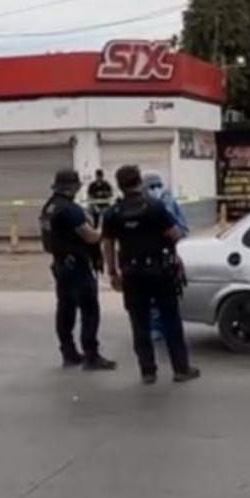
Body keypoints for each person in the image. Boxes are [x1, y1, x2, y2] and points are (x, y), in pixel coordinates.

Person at [101, 165, 199, 385]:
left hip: (132, 274)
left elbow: (107, 244)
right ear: (139, 182)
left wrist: (113, 272)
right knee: (170, 320)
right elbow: (175, 235)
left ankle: (148, 372)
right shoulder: (155, 208)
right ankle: (180, 369)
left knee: (139, 323)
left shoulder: (113, 213)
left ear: (119, 185)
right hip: (160, 272)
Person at [39, 170, 116, 370]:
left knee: (65, 309)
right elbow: (90, 236)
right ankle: (91, 356)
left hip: (60, 264)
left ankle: (69, 352)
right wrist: (103, 231)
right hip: (77, 267)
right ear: (73, 187)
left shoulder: (49, 207)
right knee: (90, 310)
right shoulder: (70, 210)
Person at [142, 171, 188, 344]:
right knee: (150, 299)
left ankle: (166, 329)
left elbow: (182, 229)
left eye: (158, 186)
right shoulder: (141, 206)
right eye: (151, 186)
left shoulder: (170, 203)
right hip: (146, 259)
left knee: (168, 297)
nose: (156, 189)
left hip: (168, 256)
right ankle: (154, 328)